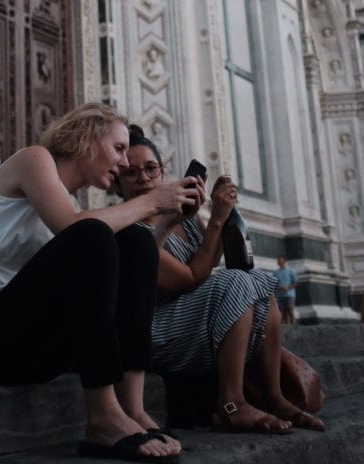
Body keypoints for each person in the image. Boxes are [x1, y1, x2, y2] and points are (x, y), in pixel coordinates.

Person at [0, 103, 199, 462]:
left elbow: (118, 259)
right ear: (86, 137)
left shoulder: (70, 203)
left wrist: (162, 220)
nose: (125, 163)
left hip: (37, 348)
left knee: (135, 240)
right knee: (93, 234)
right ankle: (103, 418)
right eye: (119, 148)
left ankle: (132, 408)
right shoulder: (33, 159)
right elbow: (74, 227)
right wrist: (150, 201)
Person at [116, 127, 325, 434]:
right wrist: (215, 219)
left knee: (259, 282)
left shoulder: (183, 217)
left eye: (151, 168)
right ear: (117, 184)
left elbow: (210, 259)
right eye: (131, 173)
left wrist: (218, 214)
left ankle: (274, 397)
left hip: (193, 316)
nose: (144, 179)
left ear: (162, 172)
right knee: (236, 282)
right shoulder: (129, 229)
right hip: (155, 328)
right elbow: (188, 280)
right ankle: (230, 405)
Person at [274, 256, 297, 324]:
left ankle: (294, 325)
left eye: (279, 260)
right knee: (282, 311)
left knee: (290, 310)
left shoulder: (290, 271)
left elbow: (295, 283)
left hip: (290, 295)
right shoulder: (276, 273)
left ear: (284, 261)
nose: (278, 262)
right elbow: (274, 283)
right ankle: (287, 326)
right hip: (280, 295)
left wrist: (288, 287)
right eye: (278, 260)